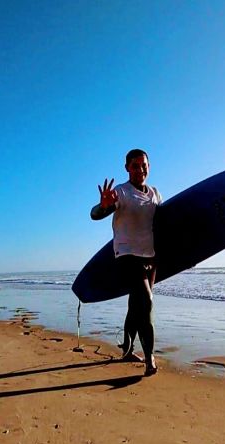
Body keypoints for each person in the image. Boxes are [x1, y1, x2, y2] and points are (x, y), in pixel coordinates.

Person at [90, 149, 162, 376]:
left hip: (149, 255)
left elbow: (164, 225)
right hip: (126, 254)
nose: (140, 170)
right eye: (135, 165)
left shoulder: (155, 193)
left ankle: (127, 349)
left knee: (136, 304)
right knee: (146, 301)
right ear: (127, 168)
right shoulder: (120, 192)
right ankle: (150, 357)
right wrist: (103, 206)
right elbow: (95, 214)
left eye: (144, 165)